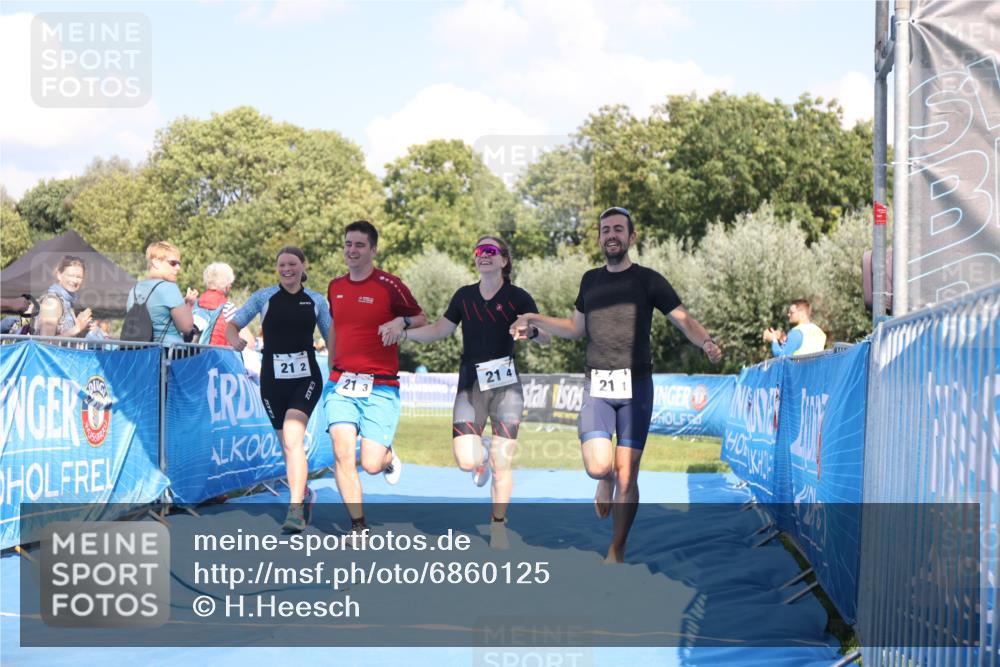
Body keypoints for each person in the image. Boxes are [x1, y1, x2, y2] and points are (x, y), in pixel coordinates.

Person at [510, 206, 723, 563]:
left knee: (628, 476)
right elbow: (575, 328)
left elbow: (684, 320)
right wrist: (533, 318)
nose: (611, 235)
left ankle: (617, 548)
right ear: (599, 237)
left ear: (631, 237)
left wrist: (706, 342)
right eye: (605, 229)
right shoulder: (590, 280)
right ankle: (603, 479)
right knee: (599, 467)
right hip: (598, 387)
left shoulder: (649, 280)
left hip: (636, 389)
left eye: (618, 229)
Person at [404, 236, 550, 545]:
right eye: (479, 251)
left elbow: (545, 338)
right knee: (466, 461)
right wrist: (406, 334)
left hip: (506, 387)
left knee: (503, 463)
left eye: (490, 251)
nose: (483, 255)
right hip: (470, 385)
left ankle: (498, 524)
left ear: (503, 260)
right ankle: (481, 455)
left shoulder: (518, 297)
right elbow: (439, 330)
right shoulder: (464, 297)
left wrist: (532, 331)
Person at [325, 220, 426, 536]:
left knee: (370, 464)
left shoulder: (389, 285)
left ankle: (389, 456)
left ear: (372, 250)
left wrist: (400, 322)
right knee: (342, 451)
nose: (352, 250)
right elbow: (335, 327)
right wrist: (331, 369)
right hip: (340, 383)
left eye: (359, 245)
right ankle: (358, 526)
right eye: (348, 244)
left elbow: (421, 318)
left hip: (380, 385)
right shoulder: (335, 286)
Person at [226, 246, 332, 532]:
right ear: (277, 268)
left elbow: (332, 337)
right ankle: (305, 493)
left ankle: (295, 509)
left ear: (302, 266)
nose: (287, 269)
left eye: (292, 264)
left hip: (306, 379)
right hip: (272, 381)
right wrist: (234, 338)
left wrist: (340, 370)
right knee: (287, 445)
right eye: (282, 264)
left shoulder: (316, 300)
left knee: (294, 439)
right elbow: (232, 325)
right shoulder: (263, 297)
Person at [126, 242, 198, 344]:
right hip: (168, 354)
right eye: (173, 263)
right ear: (156, 263)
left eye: (179, 264)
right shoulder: (169, 288)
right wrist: (189, 305)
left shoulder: (135, 289)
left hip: (141, 353)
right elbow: (186, 328)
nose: (178, 268)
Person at [32, 255, 94, 337]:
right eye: (71, 275)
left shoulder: (68, 302)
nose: (75, 280)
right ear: (59, 275)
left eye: (79, 277)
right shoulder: (52, 302)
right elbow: (46, 342)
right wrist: (77, 328)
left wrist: (83, 329)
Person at [196, 262, 254, 348]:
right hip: (217, 358)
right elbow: (249, 342)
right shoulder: (228, 308)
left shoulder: (193, 304)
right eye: (230, 282)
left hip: (191, 359)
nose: (231, 285)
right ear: (226, 284)